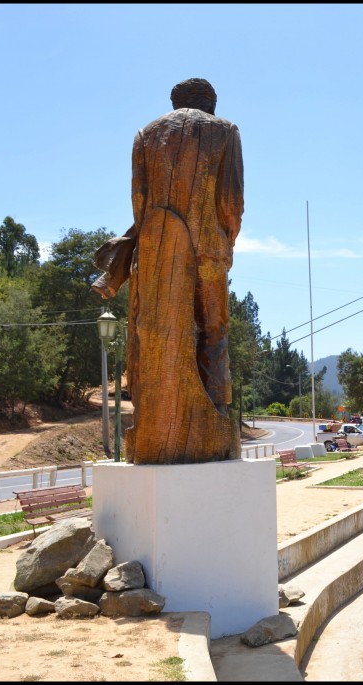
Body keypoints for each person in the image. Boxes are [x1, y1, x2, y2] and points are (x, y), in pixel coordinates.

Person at [93, 77, 244, 464]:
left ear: (174, 102)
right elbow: (231, 199)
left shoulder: (146, 134)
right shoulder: (225, 131)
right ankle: (217, 409)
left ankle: (152, 414)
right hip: (209, 249)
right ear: (210, 103)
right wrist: (227, 242)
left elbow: (139, 199)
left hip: (158, 249)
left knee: (155, 332)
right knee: (213, 329)